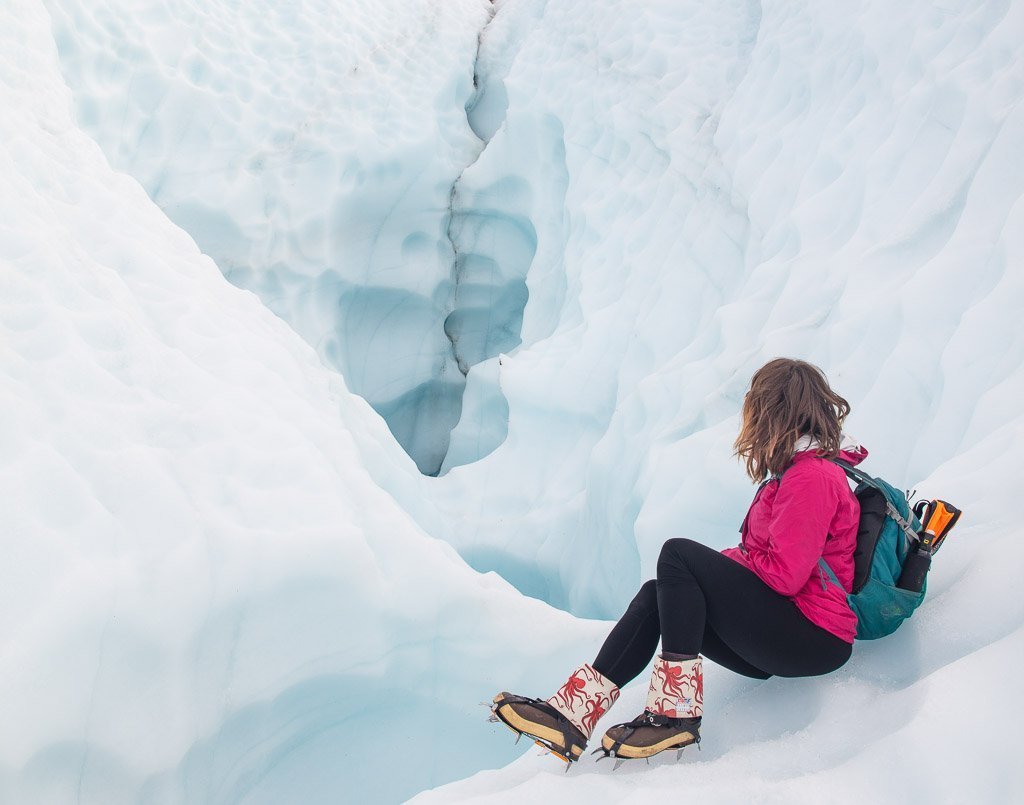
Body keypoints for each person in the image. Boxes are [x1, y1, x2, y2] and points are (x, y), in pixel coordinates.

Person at [492, 358, 864, 762]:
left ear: (774, 411)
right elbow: (771, 565)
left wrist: (715, 571)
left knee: (677, 555)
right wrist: (716, 574)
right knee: (658, 594)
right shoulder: (797, 474)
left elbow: (786, 577)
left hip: (812, 638)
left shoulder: (812, 478)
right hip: (785, 631)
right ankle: (572, 716)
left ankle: (676, 714)